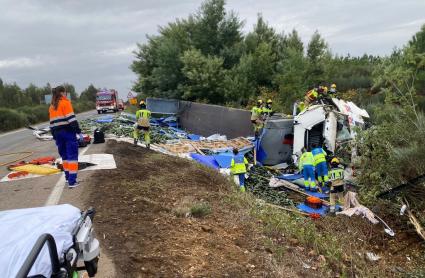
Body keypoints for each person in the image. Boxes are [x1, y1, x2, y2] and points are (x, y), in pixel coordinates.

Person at [49, 85, 83, 188]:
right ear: (63, 93)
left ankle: (68, 178)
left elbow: (51, 124)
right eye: (65, 92)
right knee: (72, 156)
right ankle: (73, 181)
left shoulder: (51, 106)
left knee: (64, 157)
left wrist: (55, 136)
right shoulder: (65, 103)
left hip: (58, 134)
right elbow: (72, 120)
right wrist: (78, 132)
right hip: (68, 133)